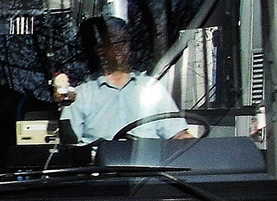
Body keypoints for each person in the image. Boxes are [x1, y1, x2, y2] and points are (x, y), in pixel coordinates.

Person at [59, 16, 188, 142]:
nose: (119, 48)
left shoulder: (151, 88)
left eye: (123, 41)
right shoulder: (82, 94)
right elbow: (69, 145)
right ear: (100, 50)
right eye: (112, 42)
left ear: (129, 45)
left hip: (148, 160)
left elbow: (178, 135)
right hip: (101, 161)